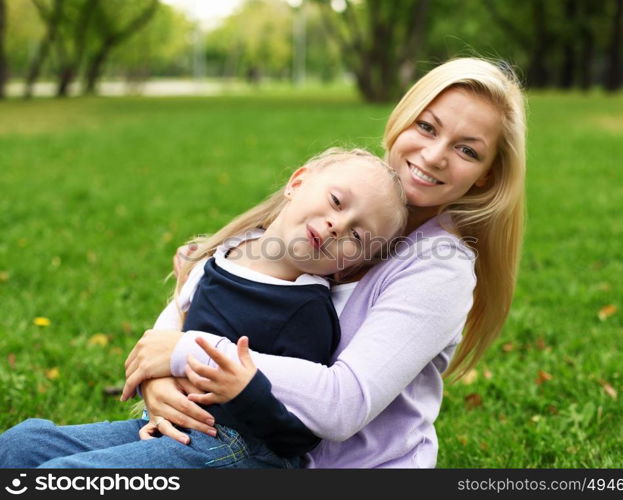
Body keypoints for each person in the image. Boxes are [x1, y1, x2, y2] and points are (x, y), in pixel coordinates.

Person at [117, 57, 527, 468]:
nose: (435, 155)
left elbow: (345, 402)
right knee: (50, 447)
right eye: (426, 126)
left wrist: (188, 353)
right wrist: (158, 375)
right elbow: (210, 283)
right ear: (401, 120)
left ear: (485, 176)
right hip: (238, 436)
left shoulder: (441, 268)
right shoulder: (350, 194)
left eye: (467, 150)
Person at [0, 149, 407, 468]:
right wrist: (153, 382)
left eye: (358, 235)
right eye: (337, 201)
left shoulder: (306, 309)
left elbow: (297, 442)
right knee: (23, 445)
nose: (339, 225)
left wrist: (248, 392)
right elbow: (172, 326)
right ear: (297, 182)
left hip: (240, 451)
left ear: (351, 264)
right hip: (170, 426)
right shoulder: (230, 250)